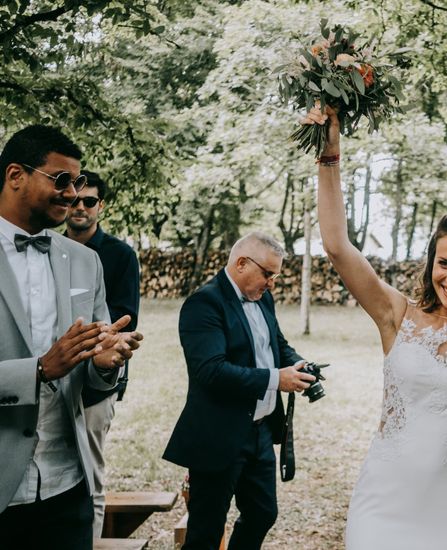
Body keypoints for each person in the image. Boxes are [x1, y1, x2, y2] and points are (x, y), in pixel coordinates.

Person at [314, 107, 447, 550]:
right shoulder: (396, 314)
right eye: (444, 263)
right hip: (383, 498)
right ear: (431, 261)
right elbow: (335, 246)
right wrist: (330, 153)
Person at [0, 125, 143, 549]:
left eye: (78, 182)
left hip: (68, 484)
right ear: (15, 176)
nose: (71, 193)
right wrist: (39, 370)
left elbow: (94, 376)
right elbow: (48, 367)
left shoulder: (85, 262)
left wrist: (103, 364)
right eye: (60, 180)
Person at [162, 232, 317, 550]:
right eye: (268, 274)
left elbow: (276, 344)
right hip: (218, 434)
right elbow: (210, 371)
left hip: (260, 432)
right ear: (242, 263)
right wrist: (276, 379)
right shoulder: (203, 304)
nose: (272, 283)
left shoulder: (264, 299)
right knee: (206, 531)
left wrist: (300, 365)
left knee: (263, 513)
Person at [64, 169, 141, 537]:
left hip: (96, 382)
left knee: (90, 476)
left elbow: (123, 320)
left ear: (100, 206)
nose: (80, 207)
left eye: (89, 200)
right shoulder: (50, 247)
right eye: (74, 199)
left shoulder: (120, 255)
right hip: (53, 380)